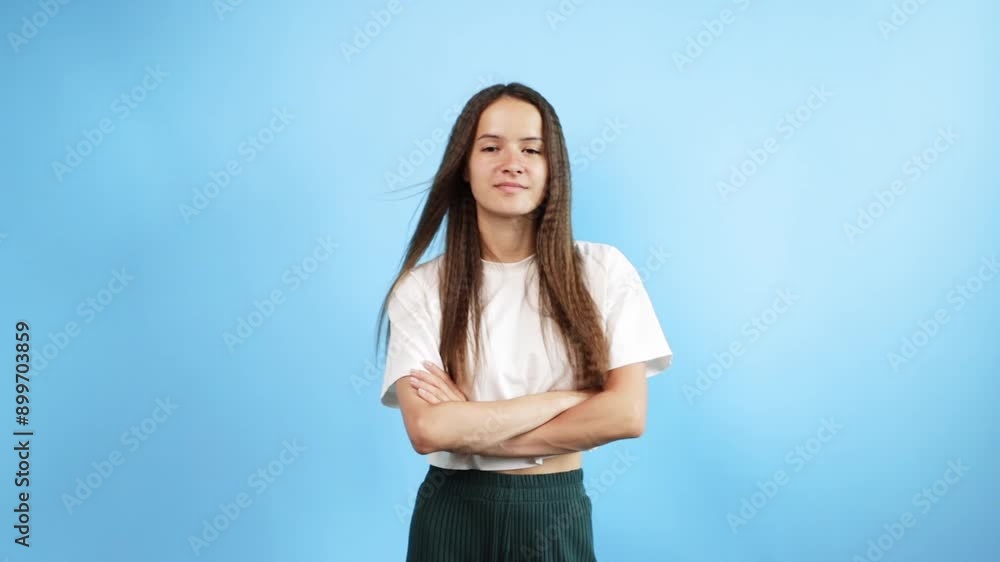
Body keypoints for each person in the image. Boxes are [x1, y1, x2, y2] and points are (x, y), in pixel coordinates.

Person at [376, 82, 673, 561]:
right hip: (451, 513)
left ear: (553, 170)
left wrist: (473, 427)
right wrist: (571, 400)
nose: (511, 162)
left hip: (555, 510)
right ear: (464, 167)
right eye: (491, 147)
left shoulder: (603, 271)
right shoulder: (422, 288)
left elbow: (625, 415)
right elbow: (429, 429)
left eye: (531, 150)